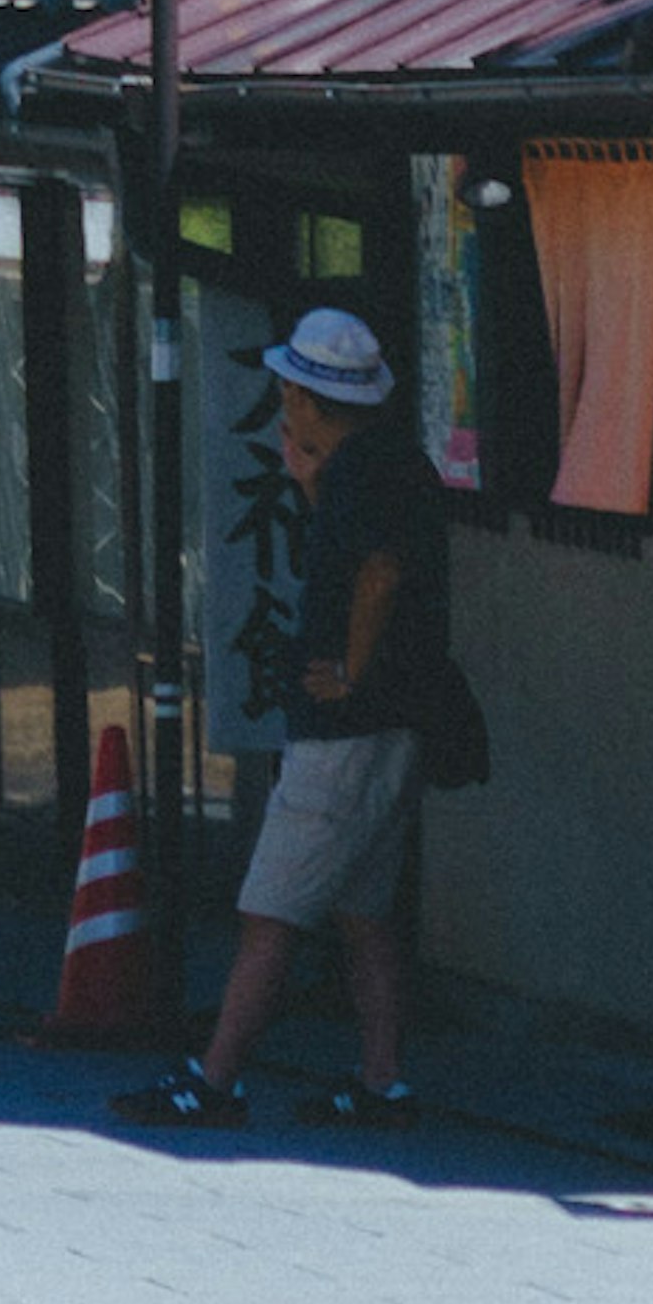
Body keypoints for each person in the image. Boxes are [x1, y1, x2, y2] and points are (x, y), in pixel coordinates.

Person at [115, 303, 451, 1130]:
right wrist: (306, 481)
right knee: (362, 908)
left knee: (272, 905)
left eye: (289, 386)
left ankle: (216, 1078)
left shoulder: (365, 473)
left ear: (310, 395)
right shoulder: (383, 462)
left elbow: (376, 573)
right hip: (394, 724)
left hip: (346, 731)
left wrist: (348, 669)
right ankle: (382, 1081)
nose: (281, 399)